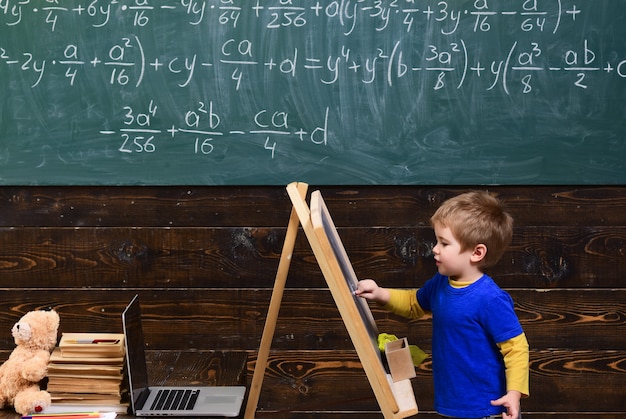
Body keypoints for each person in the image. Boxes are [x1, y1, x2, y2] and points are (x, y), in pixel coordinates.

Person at [355, 191, 529, 419]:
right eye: (437, 240)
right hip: (451, 403)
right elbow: (413, 303)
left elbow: (516, 348)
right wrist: (379, 294)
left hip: (486, 407)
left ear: (477, 253)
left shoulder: (490, 299)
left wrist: (514, 393)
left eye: (444, 243)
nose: (435, 249)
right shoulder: (440, 284)